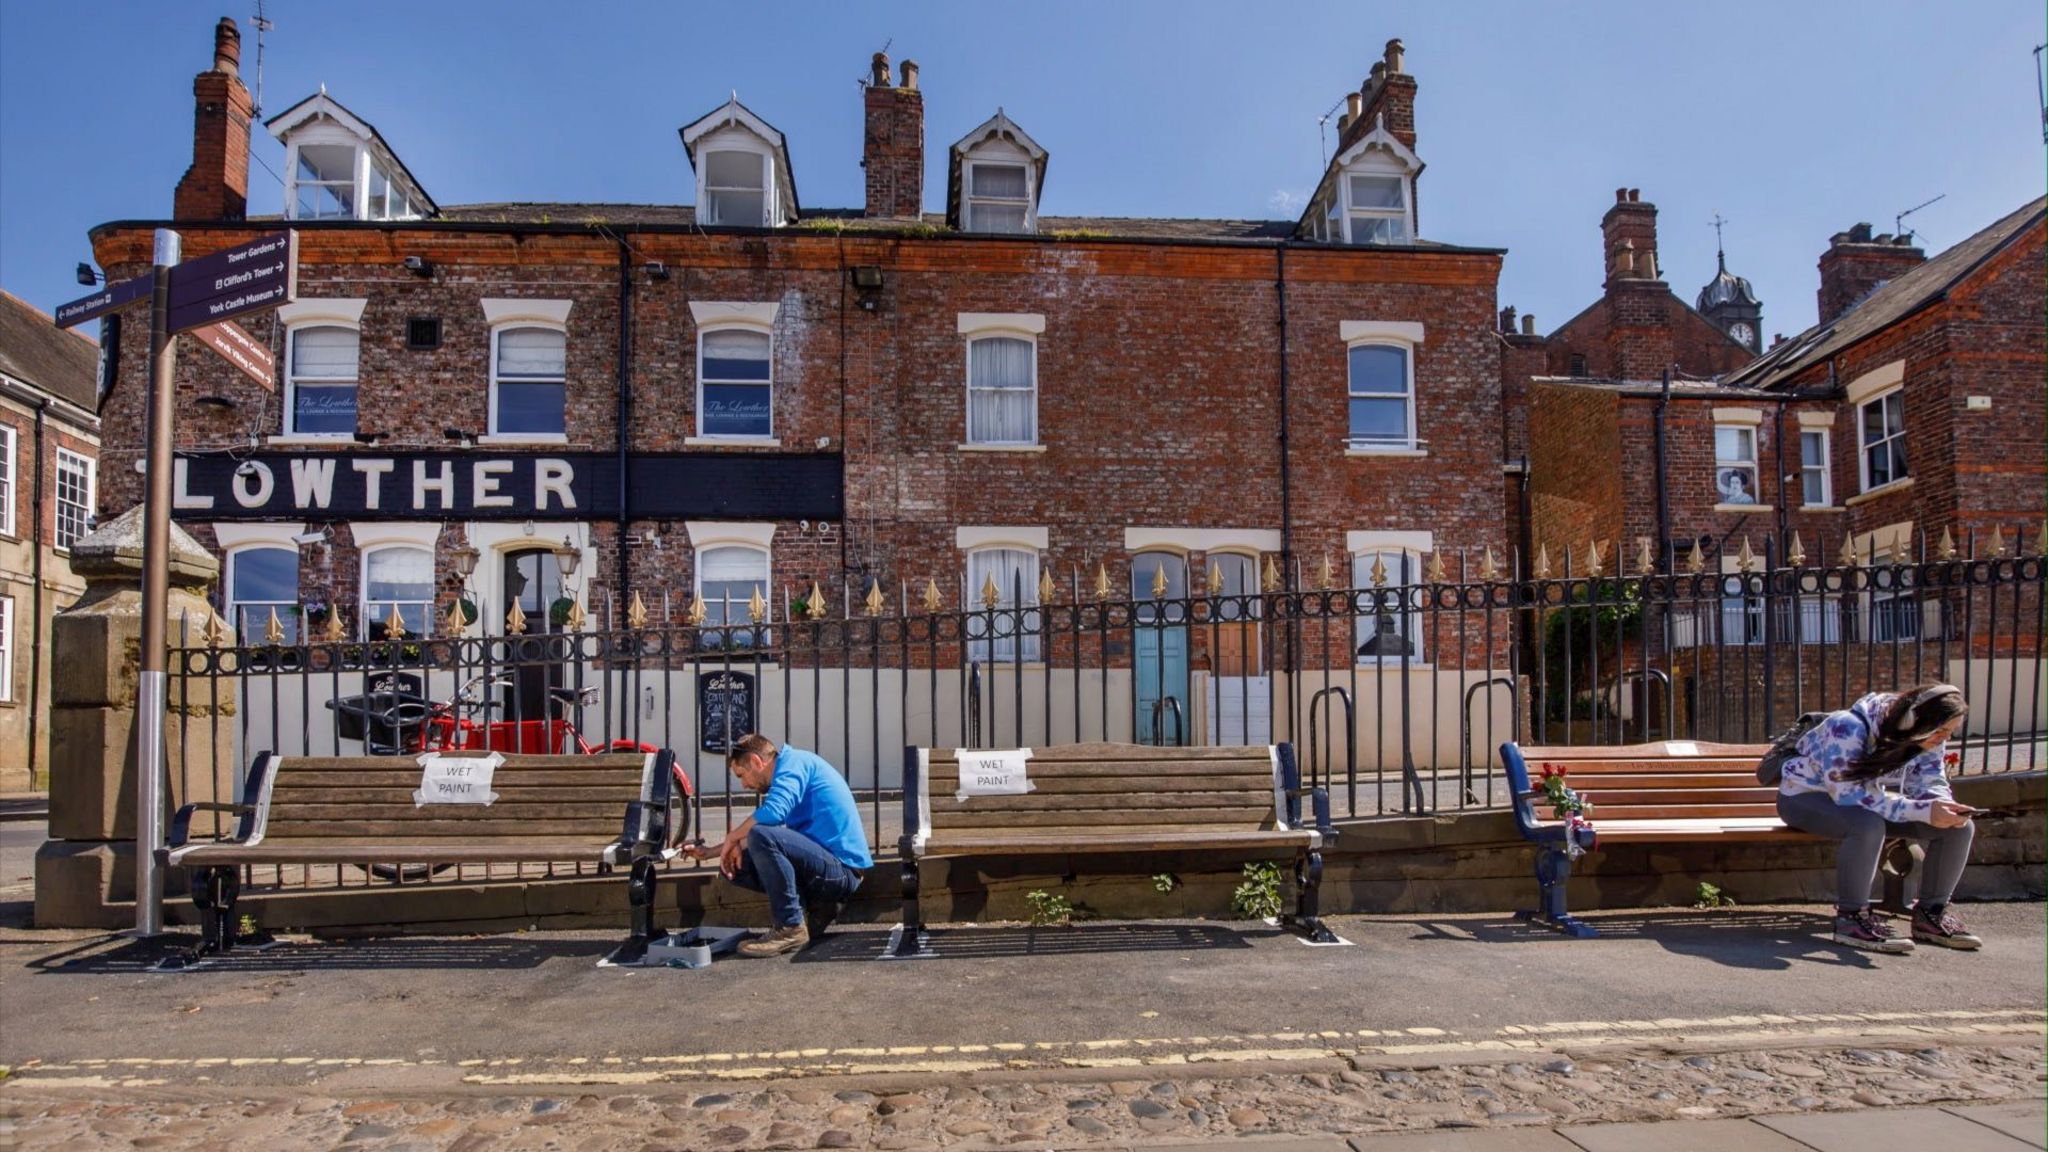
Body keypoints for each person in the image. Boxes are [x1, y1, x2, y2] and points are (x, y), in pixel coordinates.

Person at [1776, 683, 1981, 953]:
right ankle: (1852, 918)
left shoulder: (1927, 737)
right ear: (1913, 719)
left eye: (1950, 732)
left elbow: (1931, 779)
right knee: (1866, 825)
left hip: (1864, 799)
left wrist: (1942, 806)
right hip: (1804, 798)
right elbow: (1849, 795)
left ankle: (1930, 915)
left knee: (1958, 828)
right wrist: (1922, 810)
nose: (1944, 738)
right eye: (1941, 730)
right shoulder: (1847, 727)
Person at [681, 734, 872, 957]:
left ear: (755, 761)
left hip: (843, 871)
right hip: (824, 869)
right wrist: (710, 853)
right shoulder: (788, 772)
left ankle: (790, 928)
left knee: (761, 835)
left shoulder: (794, 764)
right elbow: (770, 832)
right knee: (733, 867)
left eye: (742, 775)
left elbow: (772, 815)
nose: (743, 784)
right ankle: (813, 910)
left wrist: (733, 837)